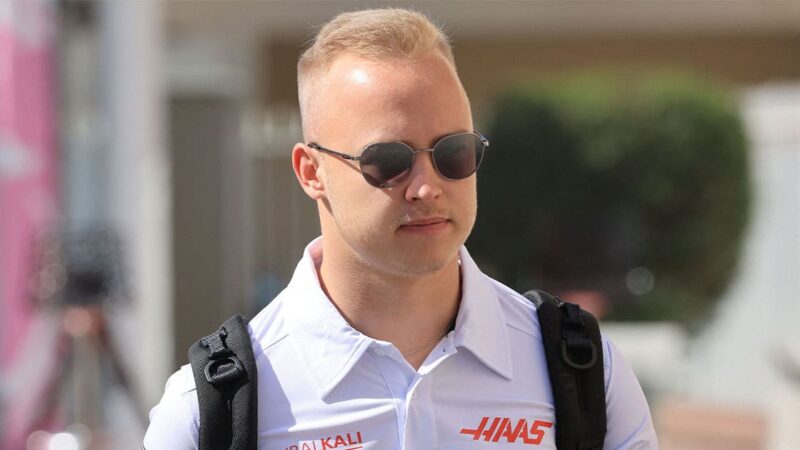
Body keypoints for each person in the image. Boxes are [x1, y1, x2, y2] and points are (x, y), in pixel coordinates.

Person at [144, 8, 657, 449]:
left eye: (453, 152)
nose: (426, 187)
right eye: (388, 160)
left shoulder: (581, 373)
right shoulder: (216, 405)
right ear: (310, 172)